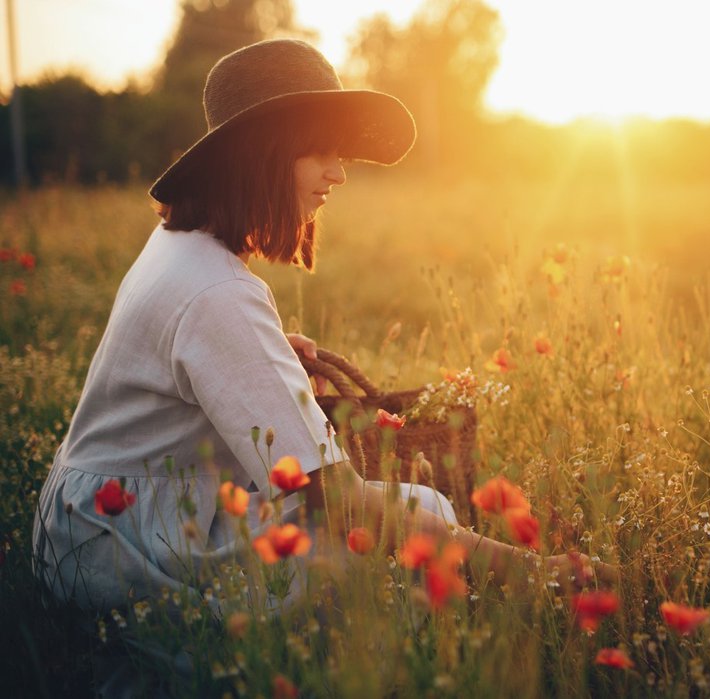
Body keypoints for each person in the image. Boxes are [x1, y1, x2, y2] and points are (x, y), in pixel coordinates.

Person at [33, 39, 614, 617]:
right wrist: (536, 572)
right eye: (320, 153)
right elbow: (340, 504)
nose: (338, 173)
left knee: (416, 509)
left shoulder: (181, 248)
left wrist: (265, 356)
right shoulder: (218, 293)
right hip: (126, 549)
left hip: (94, 526)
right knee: (396, 535)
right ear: (261, 155)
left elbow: (176, 360)